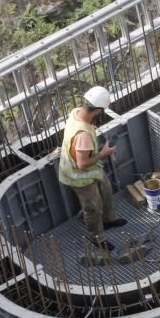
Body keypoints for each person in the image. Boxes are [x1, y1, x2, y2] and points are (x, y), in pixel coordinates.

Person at [58, 86, 127, 255]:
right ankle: (97, 237)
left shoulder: (76, 112)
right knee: (93, 207)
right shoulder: (83, 135)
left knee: (105, 188)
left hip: (90, 169)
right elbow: (82, 164)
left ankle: (109, 220)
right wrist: (103, 153)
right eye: (101, 111)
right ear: (96, 110)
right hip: (79, 176)